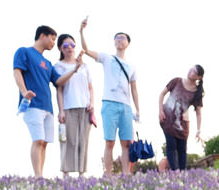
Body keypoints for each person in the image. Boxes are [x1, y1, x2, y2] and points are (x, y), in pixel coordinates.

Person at [14, 25, 78, 178]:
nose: (53, 43)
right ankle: (38, 176)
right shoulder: (25, 52)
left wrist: (75, 69)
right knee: (38, 139)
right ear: (42, 35)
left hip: (48, 107)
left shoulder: (48, 63)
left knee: (45, 143)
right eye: (52, 39)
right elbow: (17, 71)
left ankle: (40, 174)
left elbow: (59, 81)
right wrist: (24, 92)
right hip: (32, 105)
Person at [79, 18, 140, 176]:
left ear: (128, 43)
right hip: (109, 103)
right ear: (114, 42)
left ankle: (126, 174)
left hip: (126, 107)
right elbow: (86, 49)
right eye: (117, 38)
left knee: (126, 143)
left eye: (123, 38)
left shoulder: (132, 66)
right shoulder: (107, 58)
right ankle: (108, 174)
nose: (119, 40)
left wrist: (138, 110)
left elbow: (134, 89)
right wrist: (81, 31)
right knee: (110, 141)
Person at [54, 34, 94, 177]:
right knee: (67, 140)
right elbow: (59, 88)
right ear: (60, 48)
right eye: (66, 45)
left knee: (83, 140)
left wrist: (92, 103)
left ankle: (81, 173)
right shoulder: (58, 66)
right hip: (68, 107)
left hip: (84, 108)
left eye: (72, 45)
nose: (70, 48)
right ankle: (66, 173)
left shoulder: (85, 66)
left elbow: (90, 87)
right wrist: (61, 110)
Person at [158, 64, 203, 171]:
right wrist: (160, 111)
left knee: (182, 149)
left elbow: (198, 113)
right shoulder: (176, 81)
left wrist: (198, 131)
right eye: (191, 69)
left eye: (194, 72)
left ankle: (183, 174)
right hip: (167, 120)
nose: (190, 72)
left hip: (182, 124)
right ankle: (175, 173)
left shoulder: (197, 93)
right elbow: (161, 94)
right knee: (171, 146)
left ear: (199, 77)